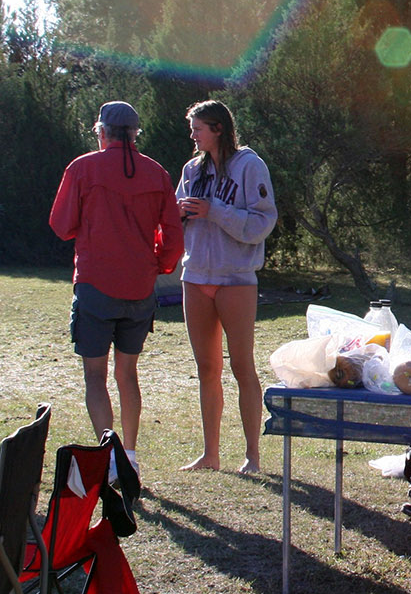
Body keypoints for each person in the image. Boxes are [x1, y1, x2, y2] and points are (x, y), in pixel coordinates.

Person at [49, 101, 182, 481]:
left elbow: (61, 225)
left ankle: (109, 459)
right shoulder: (156, 172)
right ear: (135, 133)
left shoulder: (83, 167)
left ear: (101, 131)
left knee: (95, 375)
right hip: (139, 288)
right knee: (128, 373)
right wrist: (159, 264)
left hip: (95, 284)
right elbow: (174, 235)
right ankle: (131, 453)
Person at [177, 99, 277, 474]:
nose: (192, 135)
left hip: (236, 278)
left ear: (217, 128)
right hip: (196, 277)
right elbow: (178, 212)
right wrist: (178, 215)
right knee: (206, 369)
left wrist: (214, 211)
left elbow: (262, 223)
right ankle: (210, 454)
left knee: (242, 366)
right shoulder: (191, 169)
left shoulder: (250, 166)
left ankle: (252, 455)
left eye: (197, 128)